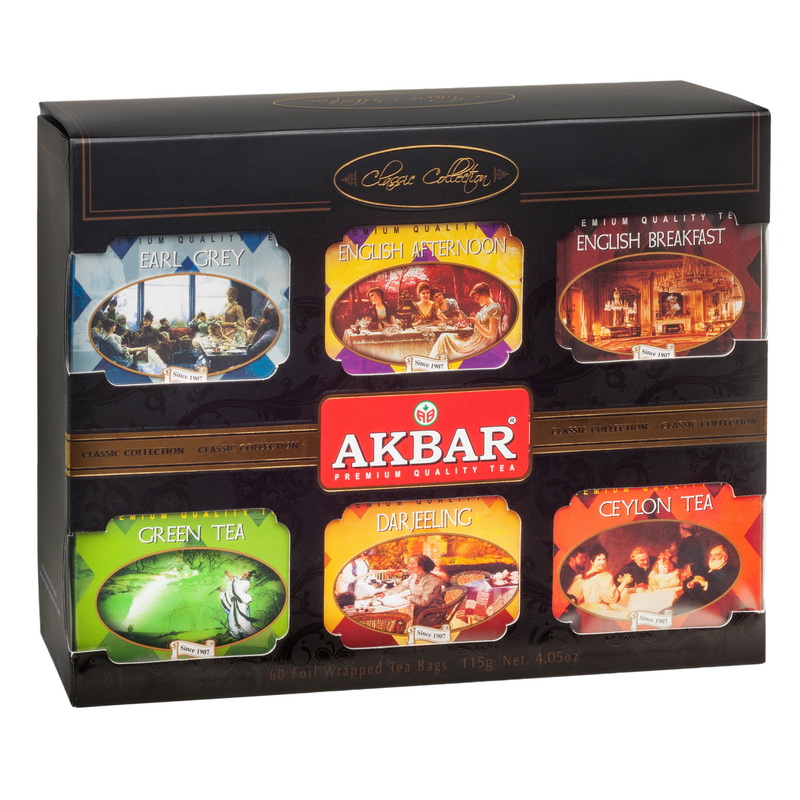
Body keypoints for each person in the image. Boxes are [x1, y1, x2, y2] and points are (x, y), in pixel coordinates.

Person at [429, 282, 503, 360]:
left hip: (482, 343)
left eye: (477, 298)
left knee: (445, 338)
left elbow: (491, 334)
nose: (476, 300)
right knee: (444, 336)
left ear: (484, 293)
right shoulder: (485, 307)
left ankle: (436, 362)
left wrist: (475, 322)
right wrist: (472, 320)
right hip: (475, 338)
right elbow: (481, 323)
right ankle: (436, 361)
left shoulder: (495, 308)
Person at [377, 555, 444, 624]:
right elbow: (402, 586)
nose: (407, 566)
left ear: (420, 567)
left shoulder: (433, 580)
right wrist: (385, 593)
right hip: (416, 609)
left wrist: (409, 597)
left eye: (411, 564)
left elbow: (424, 602)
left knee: (397, 619)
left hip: (430, 614)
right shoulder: (414, 576)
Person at [672, 545, 737, 615]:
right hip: (684, 605)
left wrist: (705, 584)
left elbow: (724, 590)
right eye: (711, 555)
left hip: (705, 609)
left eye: (717, 555)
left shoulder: (732, 571)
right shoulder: (705, 569)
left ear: (725, 557)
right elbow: (686, 581)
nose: (712, 558)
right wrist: (691, 583)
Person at [573, 544, 631, 613]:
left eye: (604, 559)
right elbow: (612, 598)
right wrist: (625, 582)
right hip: (599, 610)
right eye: (599, 559)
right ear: (592, 561)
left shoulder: (582, 576)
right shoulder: (603, 576)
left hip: (586, 608)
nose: (602, 562)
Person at [220, 570, 259, 639]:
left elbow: (237, 588)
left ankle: (244, 631)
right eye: (243, 574)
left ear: (248, 576)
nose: (243, 575)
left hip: (242, 602)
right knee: (232, 616)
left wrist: (230, 576)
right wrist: (223, 591)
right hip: (235, 602)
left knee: (241, 618)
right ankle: (234, 631)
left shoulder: (246, 583)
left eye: (245, 575)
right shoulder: (238, 581)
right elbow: (232, 589)